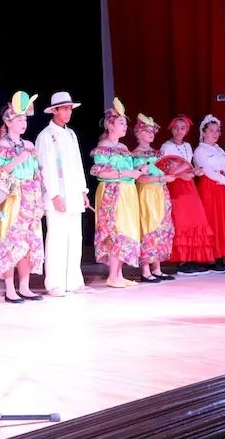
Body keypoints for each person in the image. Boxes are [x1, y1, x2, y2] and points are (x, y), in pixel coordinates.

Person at [35, 91, 94, 296]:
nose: (68, 112)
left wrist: (83, 191)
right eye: (65, 108)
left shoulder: (70, 134)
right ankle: (54, 283)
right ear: (55, 111)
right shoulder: (45, 136)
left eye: (70, 108)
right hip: (57, 196)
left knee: (74, 237)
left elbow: (77, 165)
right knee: (57, 238)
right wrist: (54, 194)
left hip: (74, 193)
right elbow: (46, 168)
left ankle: (74, 281)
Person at [0, 91, 44, 302]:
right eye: (19, 119)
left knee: (29, 242)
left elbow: (37, 172)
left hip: (30, 196)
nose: (23, 123)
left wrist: (40, 192)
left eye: (24, 119)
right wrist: (16, 161)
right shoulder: (1, 146)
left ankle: (25, 286)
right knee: (11, 240)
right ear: (7, 120)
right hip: (12, 196)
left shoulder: (29, 145)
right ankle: (9, 288)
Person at [90, 98, 145, 288]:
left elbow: (130, 171)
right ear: (110, 125)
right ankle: (113, 275)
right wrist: (126, 173)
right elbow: (101, 171)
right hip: (112, 191)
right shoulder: (104, 147)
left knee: (126, 229)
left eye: (125, 123)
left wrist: (138, 171)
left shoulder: (123, 148)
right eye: (121, 123)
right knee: (115, 230)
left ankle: (118, 274)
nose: (124, 126)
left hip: (127, 191)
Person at [159, 115, 214, 275]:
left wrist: (195, 171)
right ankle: (182, 261)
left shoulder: (188, 146)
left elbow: (188, 167)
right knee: (181, 220)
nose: (179, 131)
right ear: (171, 128)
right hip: (174, 185)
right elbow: (163, 168)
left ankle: (191, 258)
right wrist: (179, 176)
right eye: (176, 127)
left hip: (189, 185)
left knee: (194, 220)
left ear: (187, 130)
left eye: (183, 128)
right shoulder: (166, 146)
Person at [193, 115, 225, 272]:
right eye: (211, 131)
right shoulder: (200, 150)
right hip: (209, 188)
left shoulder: (219, 150)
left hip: (222, 189)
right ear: (203, 132)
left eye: (217, 130)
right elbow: (208, 171)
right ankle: (211, 259)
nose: (215, 134)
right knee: (213, 220)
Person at [131, 114, 176, 282]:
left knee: (161, 228)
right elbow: (140, 178)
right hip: (147, 193)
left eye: (152, 131)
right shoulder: (135, 155)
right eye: (147, 131)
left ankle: (157, 268)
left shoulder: (157, 153)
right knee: (148, 227)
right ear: (138, 133)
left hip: (160, 192)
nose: (151, 134)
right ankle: (145, 270)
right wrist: (160, 179)